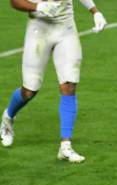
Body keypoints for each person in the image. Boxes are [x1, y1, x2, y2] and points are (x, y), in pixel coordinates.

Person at [0, 0, 108, 162]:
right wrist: (38, 6)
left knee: (69, 84)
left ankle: (65, 146)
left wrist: (94, 11)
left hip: (66, 28)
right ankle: (8, 117)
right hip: (39, 29)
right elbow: (14, 2)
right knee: (29, 90)